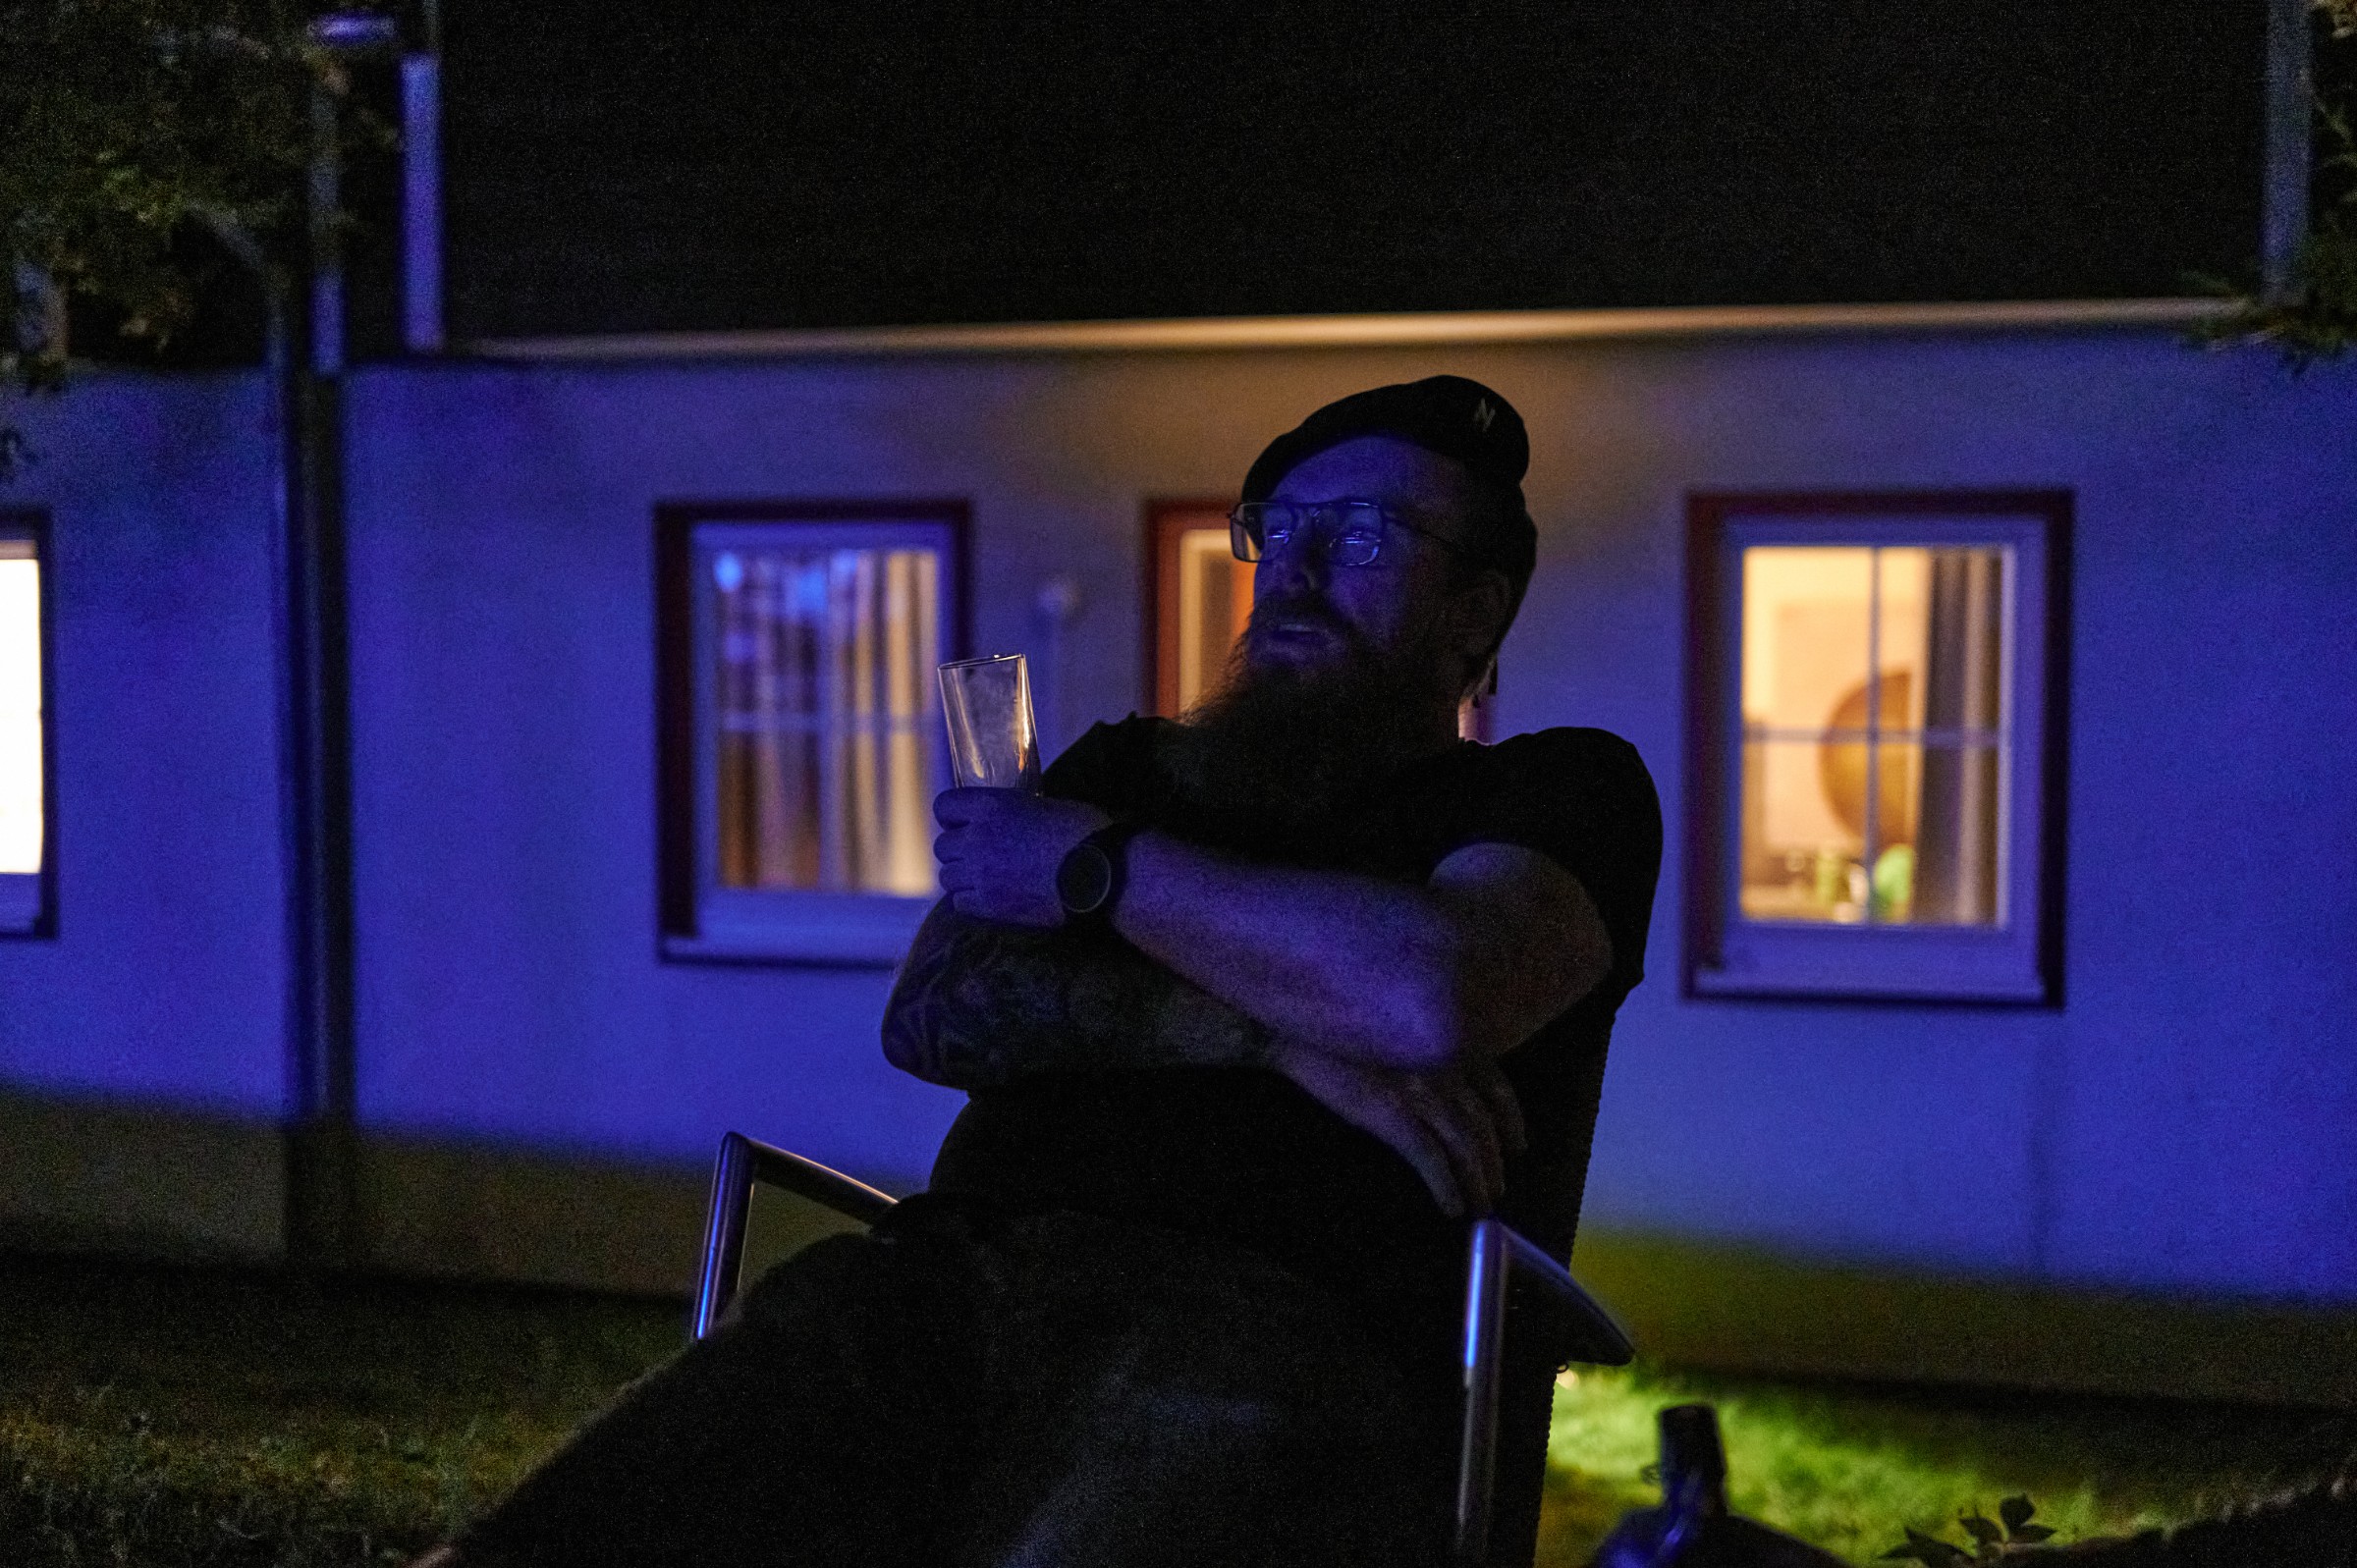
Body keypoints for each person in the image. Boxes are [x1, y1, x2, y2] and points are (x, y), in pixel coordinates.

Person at [421, 375, 1661, 1568]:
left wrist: (1092, 867)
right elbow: (934, 1012)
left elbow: (1433, 990)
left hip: (1274, 1329)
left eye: (1366, 535)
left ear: (1476, 612)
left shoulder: (1557, 789)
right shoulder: (1127, 771)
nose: (1297, 567)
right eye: (1277, 531)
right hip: (947, 1281)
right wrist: (1274, 1037)